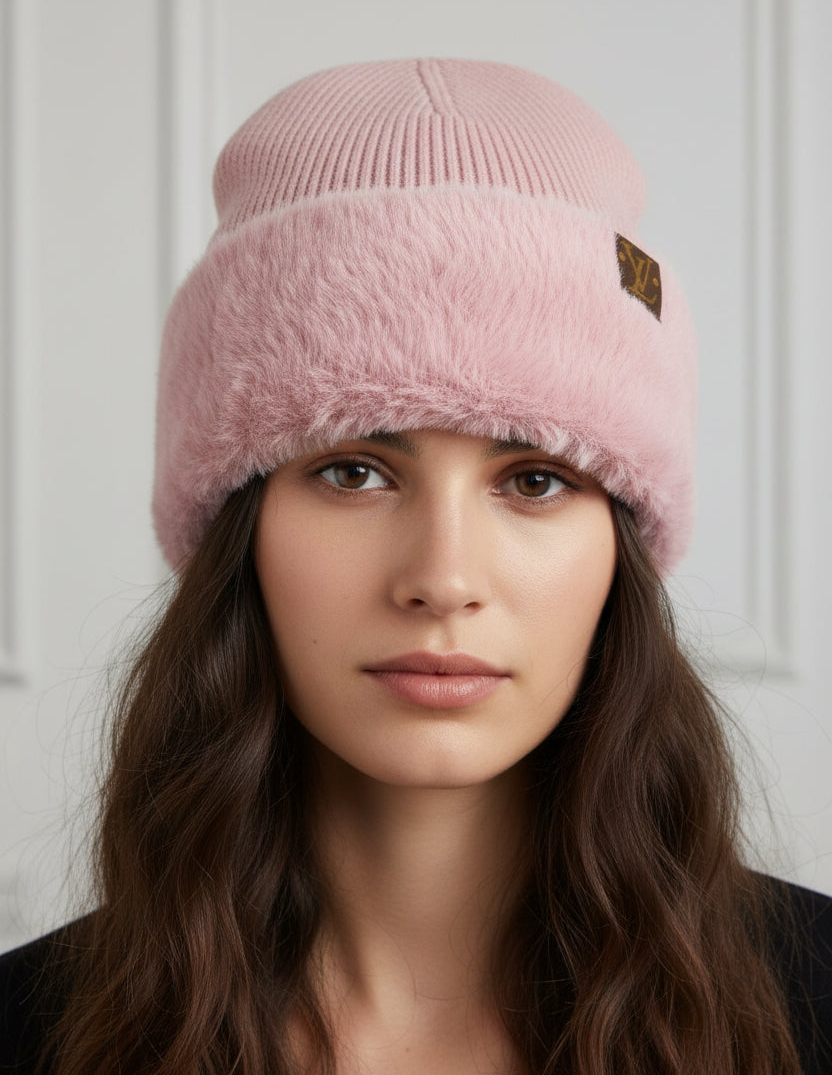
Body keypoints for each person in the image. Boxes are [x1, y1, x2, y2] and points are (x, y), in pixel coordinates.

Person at [1, 58, 830, 1075]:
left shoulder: (808, 1002)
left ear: (621, 546)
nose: (443, 579)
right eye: (354, 472)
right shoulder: (38, 1031)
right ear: (235, 532)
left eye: (534, 480)